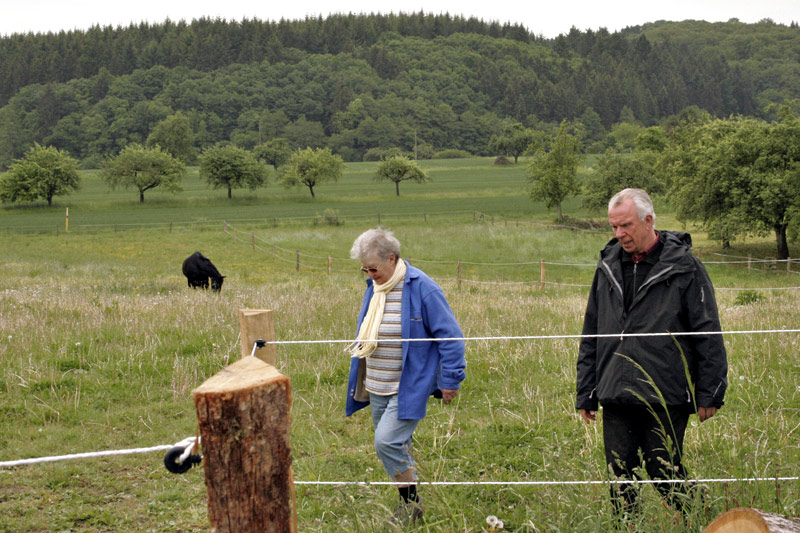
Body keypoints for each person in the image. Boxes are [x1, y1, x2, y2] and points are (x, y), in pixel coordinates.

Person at [576, 188, 728, 516]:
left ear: (648, 221)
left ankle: (701, 521)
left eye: (626, 225)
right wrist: (586, 391)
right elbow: (592, 331)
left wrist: (710, 392)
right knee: (620, 476)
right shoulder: (607, 266)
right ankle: (626, 526)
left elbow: (708, 331)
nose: (619, 234)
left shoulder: (685, 267)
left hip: (666, 389)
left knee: (664, 471)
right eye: (614, 227)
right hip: (615, 389)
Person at [345, 227, 466, 526]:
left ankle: (413, 505)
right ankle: (409, 503)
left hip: (408, 386)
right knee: (395, 444)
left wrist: (451, 380)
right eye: (365, 269)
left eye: (373, 268)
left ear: (392, 258)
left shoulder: (423, 288)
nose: (370, 274)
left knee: (386, 443)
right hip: (375, 384)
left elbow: (450, 338)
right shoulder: (375, 288)